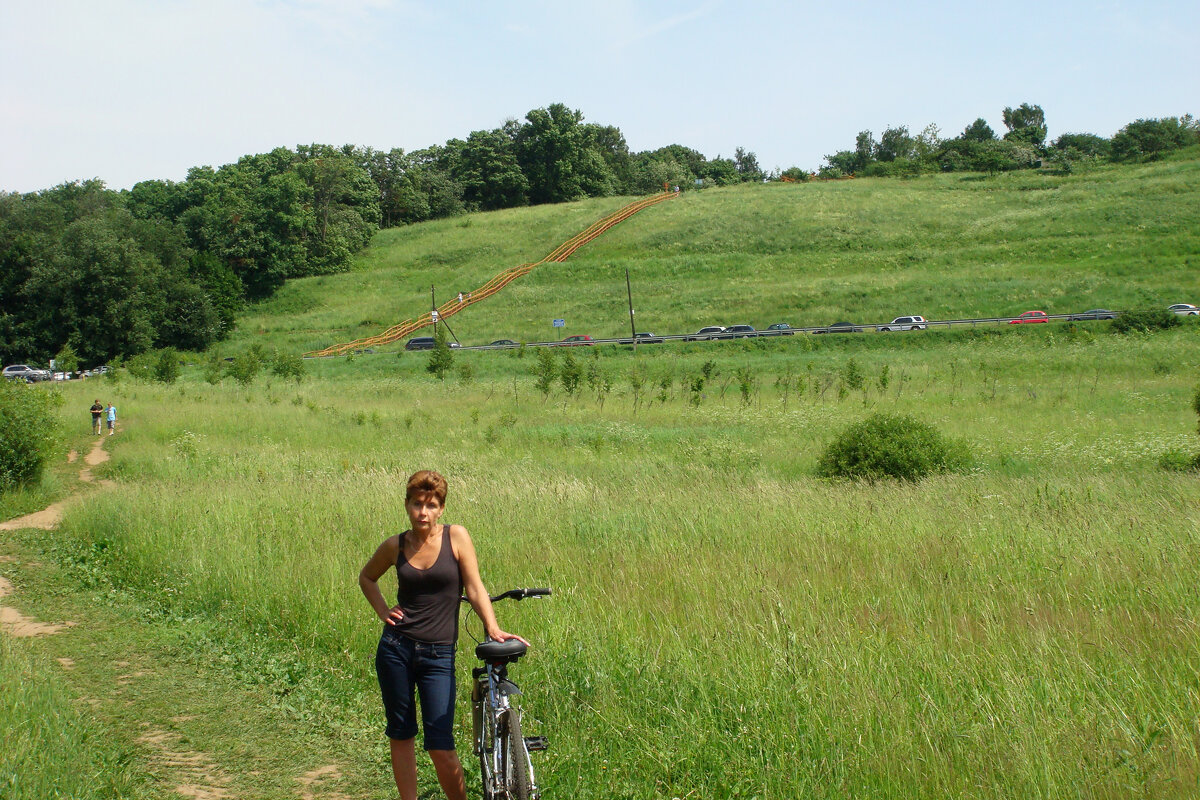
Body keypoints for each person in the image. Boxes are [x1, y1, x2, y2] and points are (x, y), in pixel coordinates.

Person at [359, 470, 526, 800]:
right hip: (396, 650)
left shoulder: (457, 538)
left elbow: (475, 587)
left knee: (440, 743)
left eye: (431, 505)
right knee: (401, 733)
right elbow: (367, 578)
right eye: (417, 504)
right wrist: (383, 611)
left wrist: (491, 627)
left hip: (438, 656)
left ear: (442, 508)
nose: (423, 512)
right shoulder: (395, 545)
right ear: (407, 505)